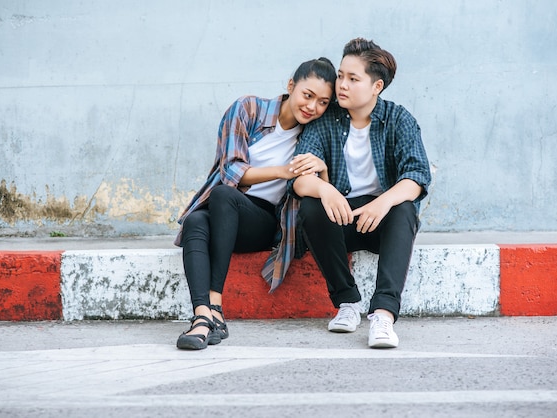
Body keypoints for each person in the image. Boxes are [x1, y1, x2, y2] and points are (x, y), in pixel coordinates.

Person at [174, 57, 337, 350]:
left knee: (223, 197)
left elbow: (321, 182)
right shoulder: (247, 108)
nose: (312, 107)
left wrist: (322, 171)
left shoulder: (313, 133)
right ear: (291, 86)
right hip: (224, 208)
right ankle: (203, 318)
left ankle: (214, 304)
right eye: (308, 95)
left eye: (323, 102)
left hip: (262, 220)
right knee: (196, 220)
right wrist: (282, 171)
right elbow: (232, 171)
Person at [288, 38, 431, 348]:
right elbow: (299, 180)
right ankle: (348, 302)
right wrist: (325, 189)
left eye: (353, 79)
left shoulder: (398, 119)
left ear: (376, 86)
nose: (342, 85)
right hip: (341, 222)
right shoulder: (325, 120)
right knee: (312, 206)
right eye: (341, 75)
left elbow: (417, 177)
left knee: (404, 208)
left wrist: (383, 203)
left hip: (382, 224)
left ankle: (383, 314)